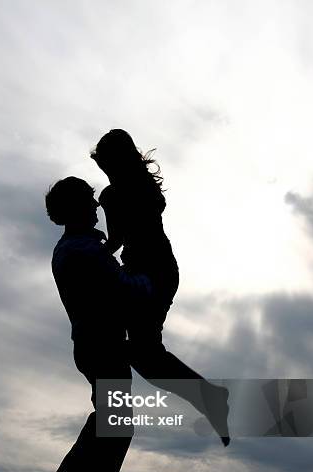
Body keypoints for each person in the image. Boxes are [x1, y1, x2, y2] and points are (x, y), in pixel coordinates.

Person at [91, 129, 230, 445]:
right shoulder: (146, 188)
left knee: (142, 353)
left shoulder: (113, 195)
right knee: (143, 353)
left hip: (148, 272)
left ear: (114, 160)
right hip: (164, 269)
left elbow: (116, 240)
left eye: (104, 162)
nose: (103, 169)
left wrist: (88, 253)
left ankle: (208, 396)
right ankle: (207, 396)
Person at [40, 176, 152, 472]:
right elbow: (125, 288)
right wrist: (150, 276)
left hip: (95, 346)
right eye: (90, 198)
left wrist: (114, 248)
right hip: (102, 346)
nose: (97, 204)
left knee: (111, 422)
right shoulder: (82, 250)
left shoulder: (77, 247)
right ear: (76, 207)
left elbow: (102, 272)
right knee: (115, 424)